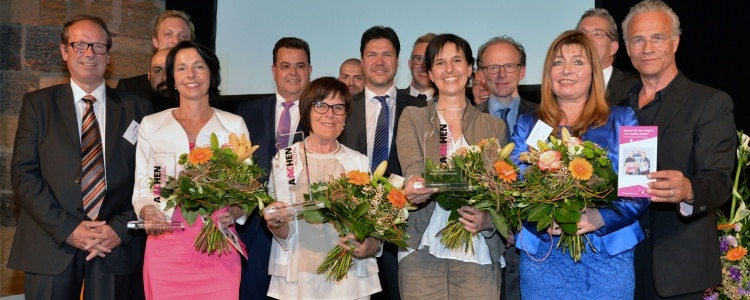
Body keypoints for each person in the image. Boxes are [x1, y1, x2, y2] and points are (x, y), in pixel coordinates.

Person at [8, 15, 151, 300]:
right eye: (80, 45)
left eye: (98, 46)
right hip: (52, 243)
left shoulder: (138, 108)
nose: (89, 53)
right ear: (64, 51)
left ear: (108, 55)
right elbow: (24, 174)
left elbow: (153, 178)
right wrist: (68, 228)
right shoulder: (38, 105)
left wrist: (120, 228)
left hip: (114, 246)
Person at [508, 30, 648, 300]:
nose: (566, 70)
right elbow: (511, 189)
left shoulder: (626, 118)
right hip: (544, 257)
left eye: (578, 62)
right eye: (558, 63)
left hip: (608, 257)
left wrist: (600, 217)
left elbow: (639, 189)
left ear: (594, 72)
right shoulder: (528, 124)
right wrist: (542, 219)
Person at [621, 1, 736, 298]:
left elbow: (719, 181)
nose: (647, 48)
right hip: (620, 267)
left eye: (657, 37)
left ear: (675, 41)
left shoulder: (709, 103)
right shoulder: (616, 108)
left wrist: (687, 189)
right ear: (627, 47)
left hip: (678, 270)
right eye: (637, 39)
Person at [132, 40, 248, 299]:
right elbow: (142, 185)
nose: (191, 75)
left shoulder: (233, 125)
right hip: (166, 245)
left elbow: (246, 192)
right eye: (182, 68)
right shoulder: (152, 125)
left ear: (212, 74)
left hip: (217, 243)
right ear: (173, 78)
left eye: (199, 66)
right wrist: (148, 210)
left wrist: (235, 211)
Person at [396, 33, 507, 300]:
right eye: (440, 62)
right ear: (430, 73)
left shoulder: (493, 126)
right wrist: (414, 186)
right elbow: (414, 168)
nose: (449, 70)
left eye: (457, 60)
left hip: (477, 253)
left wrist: (487, 220)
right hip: (421, 251)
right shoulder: (413, 117)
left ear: (470, 69)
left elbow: (502, 193)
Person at [262, 77, 382, 299]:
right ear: (307, 111)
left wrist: (368, 245)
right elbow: (281, 229)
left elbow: (373, 229)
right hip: (298, 279)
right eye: (321, 105)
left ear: (346, 116)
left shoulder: (359, 162)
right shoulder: (286, 158)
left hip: (349, 277)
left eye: (338, 107)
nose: (330, 114)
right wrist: (276, 223)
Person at [339, 26, 424, 300]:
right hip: (353, 232)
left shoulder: (420, 110)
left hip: (406, 232)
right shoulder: (340, 109)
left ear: (398, 61)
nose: (379, 61)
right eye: (371, 54)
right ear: (362, 60)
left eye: (386, 54)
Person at [235, 37, 311, 300]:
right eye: (285, 65)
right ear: (273, 71)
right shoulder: (246, 112)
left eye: (300, 66)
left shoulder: (322, 115)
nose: (293, 72)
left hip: (302, 230)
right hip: (255, 230)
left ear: (310, 70)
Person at [116, 10, 194, 112]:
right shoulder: (129, 88)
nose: (176, 40)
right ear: (155, 42)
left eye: (183, 36)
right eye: (168, 34)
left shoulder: (198, 88)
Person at [475, 36, 539, 136]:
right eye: (493, 68)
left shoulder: (543, 116)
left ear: (522, 72)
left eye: (509, 66)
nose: (502, 74)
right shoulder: (468, 120)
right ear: (482, 75)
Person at [576, 8, 640, 105]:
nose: (587, 39)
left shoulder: (637, 87)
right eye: (582, 34)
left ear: (613, 48)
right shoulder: (560, 86)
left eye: (597, 33)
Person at [399, 33, 437, 102]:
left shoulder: (450, 103)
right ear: (410, 64)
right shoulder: (393, 100)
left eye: (430, 59)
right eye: (419, 58)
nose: (424, 65)